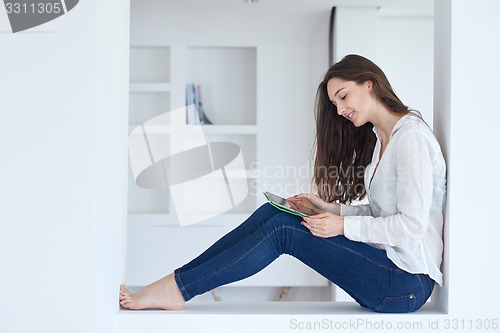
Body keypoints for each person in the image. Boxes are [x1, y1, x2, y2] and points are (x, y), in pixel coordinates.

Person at [119, 54, 446, 313]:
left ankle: (177, 289)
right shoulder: (382, 140)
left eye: (343, 96)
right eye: (335, 104)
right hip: (388, 269)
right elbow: (380, 212)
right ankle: (175, 284)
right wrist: (330, 209)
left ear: (370, 84)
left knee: (282, 231)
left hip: (405, 283)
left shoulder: (411, 138)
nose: (340, 109)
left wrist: (341, 226)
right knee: (271, 214)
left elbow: (411, 226)